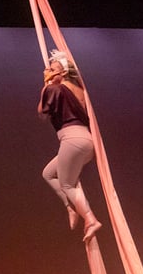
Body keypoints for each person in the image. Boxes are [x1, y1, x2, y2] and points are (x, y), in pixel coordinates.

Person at [39, 49, 102, 242]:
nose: (48, 70)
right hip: (86, 141)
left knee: (67, 183)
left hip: (72, 139)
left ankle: (90, 219)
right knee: (49, 173)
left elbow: (42, 112)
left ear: (62, 72)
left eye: (52, 68)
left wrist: (47, 84)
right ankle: (71, 208)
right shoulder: (79, 89)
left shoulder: (54, 88)